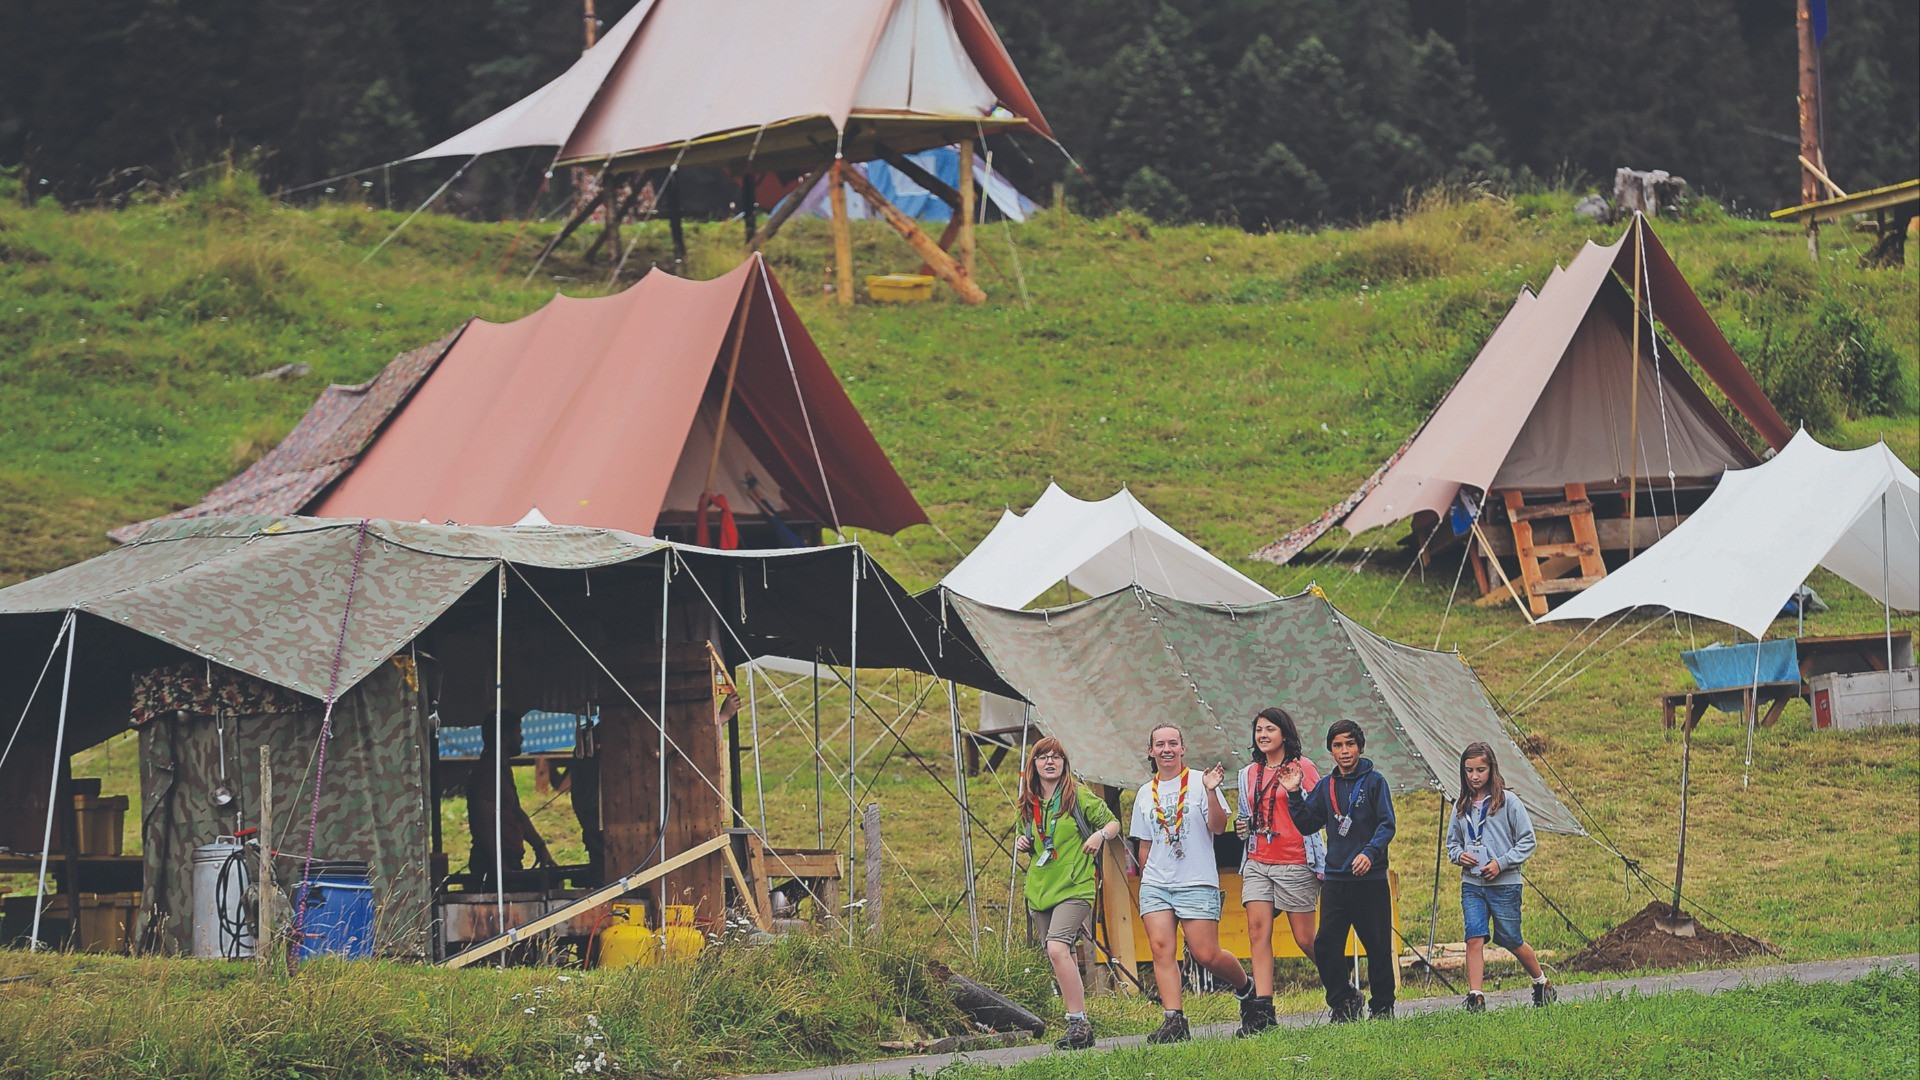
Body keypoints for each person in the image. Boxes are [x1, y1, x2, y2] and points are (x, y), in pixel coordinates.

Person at [1129, 723, 1257, 1044]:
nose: (1167, 749)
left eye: (1173, 743)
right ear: (1151, 751)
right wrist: (1147, 880)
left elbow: (1218, 825)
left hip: (1196, 879)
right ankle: (1174, 1019)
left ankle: (1247, 989)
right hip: (1157, 883)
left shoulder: (1201, 781)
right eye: (1160, 744)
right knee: (1161, 950)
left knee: (1206, 954)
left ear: (1183, 749)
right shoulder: (1146, 792)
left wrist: (1212, 791)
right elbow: (1144, 844)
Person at [1281, 718, 1397, 1021]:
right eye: (1337, 745)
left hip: (1369, 879)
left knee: (1377, 945)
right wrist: (1294, 794)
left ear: (1359, 746)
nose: (1344, 750)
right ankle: (1344, 1000)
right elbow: (1308, 823)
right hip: (1335, 879)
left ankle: (1383, 1006)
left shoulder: (1375, 782)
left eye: (1349, 744)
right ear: (1330, 750)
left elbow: (1387, 825)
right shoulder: (1326, 786)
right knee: (1326, 944)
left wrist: (1370, 853)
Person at [1013, 737, 1121, 1051]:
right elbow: (1030, 836)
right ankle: (1080, 1027)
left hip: (1075, 885)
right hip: (1041, 887)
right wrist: (1023, 842)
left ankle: (1076, 1021)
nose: (1050, 762)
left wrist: (1099, 836)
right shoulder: (1029, 801)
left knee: (1056, 948)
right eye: (1043, 757)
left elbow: (1111, 823)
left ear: (1064, 763)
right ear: (1033, 765)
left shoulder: (1077, 796)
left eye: (1056, 757)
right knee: (1065, 953)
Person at [1445, 741, 1557, 1011]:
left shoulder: (1509, 802)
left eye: (1480, 770)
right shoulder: (1461, 805)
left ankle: (1541, 982)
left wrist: (1502, 863)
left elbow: (1527, 841)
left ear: (1491, 769)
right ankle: (1476, 996)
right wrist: (1460, 855)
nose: (1474, 776)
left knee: (1511, 939)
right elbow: (1452, 844)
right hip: (1472, 883)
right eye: (1469, 770)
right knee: (1474, 936)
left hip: (1504, 884)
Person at [1233, 707, 1323, 1035]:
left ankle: (1341, 989)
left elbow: (1318, 812)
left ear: (1285, 733)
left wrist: (1296, 790)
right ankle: (1263, 1010)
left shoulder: (1304, 767)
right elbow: (1245, 816)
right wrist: (1241, 825)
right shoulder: (1247, 773)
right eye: (1259, 730)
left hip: (1295, 859)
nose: (1263, 735)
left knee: (1304, 938)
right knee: (1258, 931)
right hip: (1258, 859)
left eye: (1270, 729)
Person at [466, 737, 555, 878]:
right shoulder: (488, 771)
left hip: (509, 857)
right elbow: (485, 820)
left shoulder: (503, 769)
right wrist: (498, 864)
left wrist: (539, 847)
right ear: (505, 736)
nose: (521, 738)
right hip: (491, 862)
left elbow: (516, 812)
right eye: (517, 732)